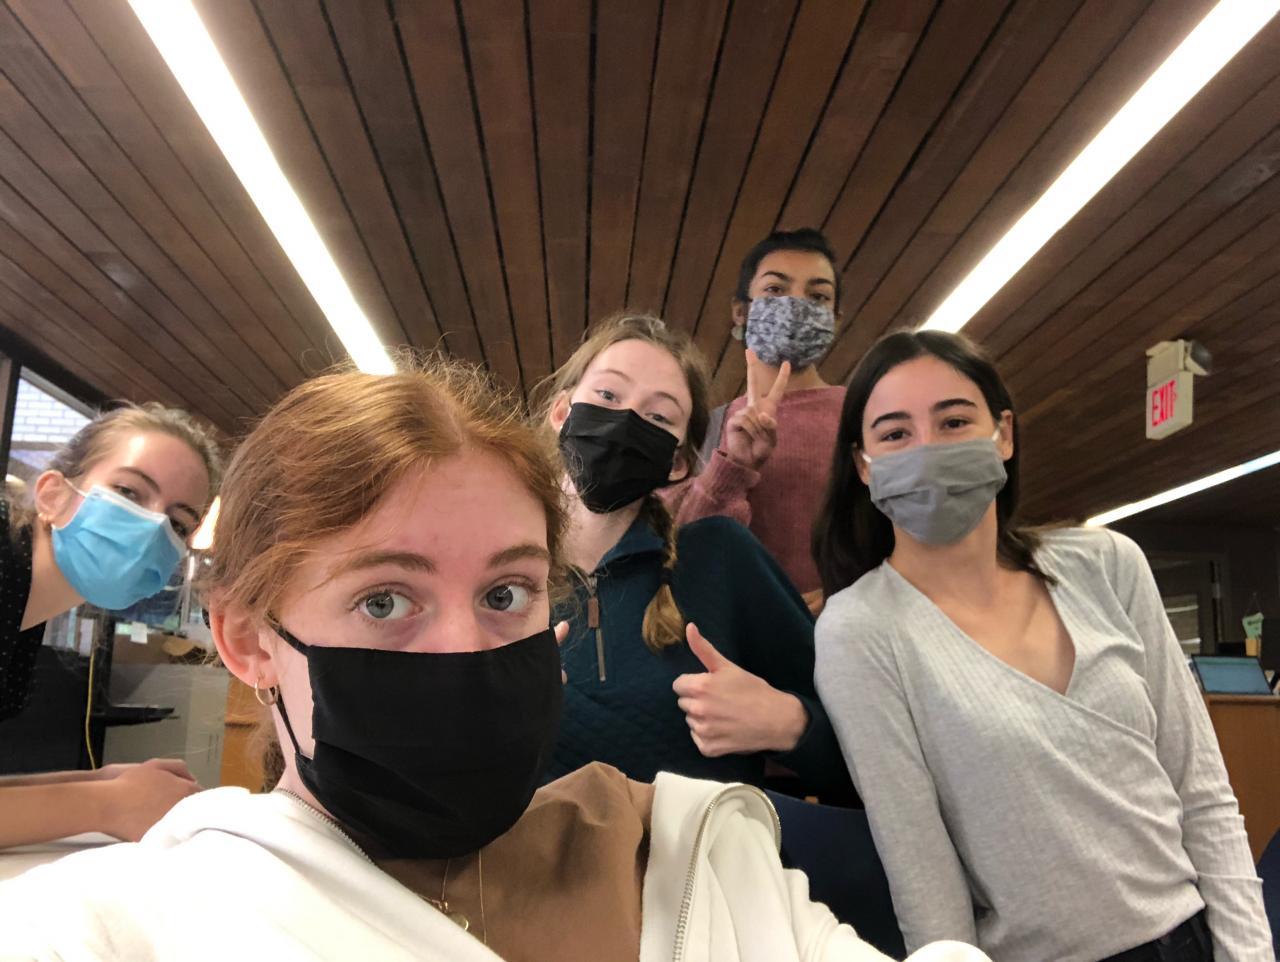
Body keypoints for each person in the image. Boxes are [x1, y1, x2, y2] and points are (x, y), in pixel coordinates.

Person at [0, 359, 987, 962]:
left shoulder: (695, 860)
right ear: (248, 641)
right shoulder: (122, 923)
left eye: (506, 593)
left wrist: (789, 727)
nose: (465, 651)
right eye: (385, 600)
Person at [811, 330, 1272, 962]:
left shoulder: (1106, 564)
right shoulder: (860, 629)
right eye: (895, 434)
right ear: (864, 466)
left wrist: (1249, 952)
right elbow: (921, 869)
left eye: (953, 421)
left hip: (1191, 938)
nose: (928, 451)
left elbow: (1200, 786)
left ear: (1003, 434)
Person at [540, 313, 850, 800]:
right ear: (562, 412)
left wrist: (789, 724)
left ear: (677, 462)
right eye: (607, 395)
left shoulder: (719, 559)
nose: (626, 421)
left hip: (715, 848)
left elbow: (863, 755)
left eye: (658, 417)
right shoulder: (494, 584)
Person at [0, 402, 220, 848]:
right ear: (52, 494)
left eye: (178, 523)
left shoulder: (21, 608)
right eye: (128, 492)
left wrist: (102, 783)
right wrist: (108, 805)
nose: (153, 528)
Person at [664, 228, 847, 607]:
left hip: (849, 629)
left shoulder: (864, 416)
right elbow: (683, 551)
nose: (795, 305)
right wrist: (733, 465)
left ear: (835, 319)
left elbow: (902, 530)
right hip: (733, 632)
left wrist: (848, 589)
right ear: (741, 310)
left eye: (818, 296)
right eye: (775, 290)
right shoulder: (709, 429)